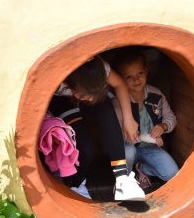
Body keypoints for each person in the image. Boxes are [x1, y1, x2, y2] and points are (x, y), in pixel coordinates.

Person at [46, 55, 146, 201]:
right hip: (63, 101)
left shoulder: (99, 67)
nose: (91, 99)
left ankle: (122, 178)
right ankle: (76, 185)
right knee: (85, 147)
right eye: (86, 96)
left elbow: (119, 84)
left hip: (88, 93)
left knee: (106, 108)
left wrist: (128, 118)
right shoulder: (56, 77)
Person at [112, 50, 179, 188]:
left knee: (172, 173)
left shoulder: (156, 94)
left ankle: (143, 169)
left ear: (146, 71)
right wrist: (145, 137)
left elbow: (171, 117)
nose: (136, 80)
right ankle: (124, 181)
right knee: (128, 152)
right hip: (128, 147)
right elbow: (119, 134)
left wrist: (164, 126)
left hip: (151, 148)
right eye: (129, 77)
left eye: (140, 73)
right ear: (120, 79)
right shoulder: (118, 101)